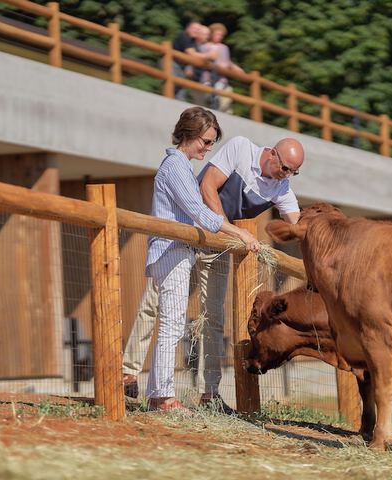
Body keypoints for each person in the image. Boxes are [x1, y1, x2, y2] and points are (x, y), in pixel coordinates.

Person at [124, 133, 305, 413]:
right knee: (154, 302)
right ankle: (128, 372)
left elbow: (296, 225)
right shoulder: (241, 149)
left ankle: (209, 392)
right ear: (272, 154)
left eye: (294, 172)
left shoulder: (282, 189)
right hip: (191, 231)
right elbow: (208, 185)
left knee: (213, 317)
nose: (287, 175)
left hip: (222, 246)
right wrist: (226, 229)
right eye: (285, 168)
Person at [145, 107, 259, 413]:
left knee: (171, 324)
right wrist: (239, 233)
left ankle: (159, 394)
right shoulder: (176, 166)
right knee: (171, 325)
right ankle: (162, 398)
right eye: (206, 142)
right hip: (171, 250)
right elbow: (199, 212)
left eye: (211, 143)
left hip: (177, 251)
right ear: (189, 135)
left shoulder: (180, 166)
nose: (208, 149)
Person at [203, 23, 244, 113]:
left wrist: (237, 68)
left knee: (222, 100)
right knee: (208, 98)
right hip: (208, 77)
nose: (219, 37)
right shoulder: (205, 46)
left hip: (221, 78)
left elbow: (227, 61)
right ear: (212, 34)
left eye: (221, 35)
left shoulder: (224, 48)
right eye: (217, 34)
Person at [172, 21, 216, 102]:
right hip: (173, 64)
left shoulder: (192, 42)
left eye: (198, 29)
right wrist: (209, 55)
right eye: (194, 28)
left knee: (180, 89)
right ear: (187, 28)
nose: (196, 31)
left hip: (180, 67)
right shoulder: (184, 36)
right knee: (174, 85)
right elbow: (191, 53)